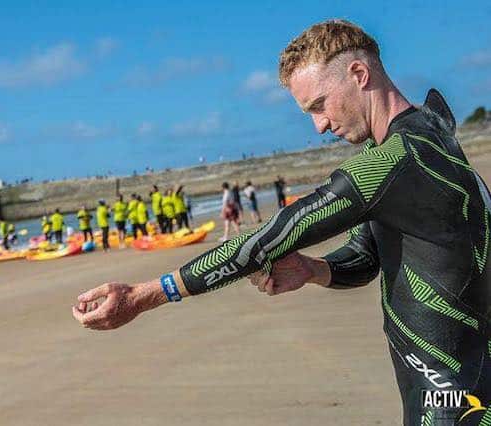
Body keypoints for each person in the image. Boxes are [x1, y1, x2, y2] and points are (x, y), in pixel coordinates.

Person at [72, 20, 491, 425]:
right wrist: (312, 270)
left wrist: (145, 295)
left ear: (359, 74)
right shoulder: (433, 135)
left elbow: (268, 239)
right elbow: (368, 258)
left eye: (319, 105)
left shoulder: (393, 163)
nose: (320, 125)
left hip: (450, 397)